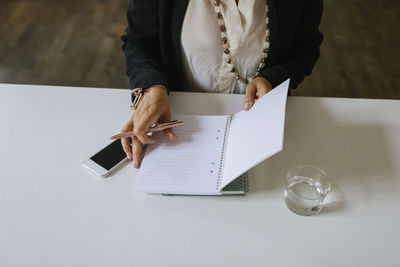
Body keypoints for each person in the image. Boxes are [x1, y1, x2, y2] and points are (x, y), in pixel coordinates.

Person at [120, 0, 323, 168]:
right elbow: (139, 42)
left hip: (261, 126)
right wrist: (152, 88)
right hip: (179, 121)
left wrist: (272, 78)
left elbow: (305, 49)